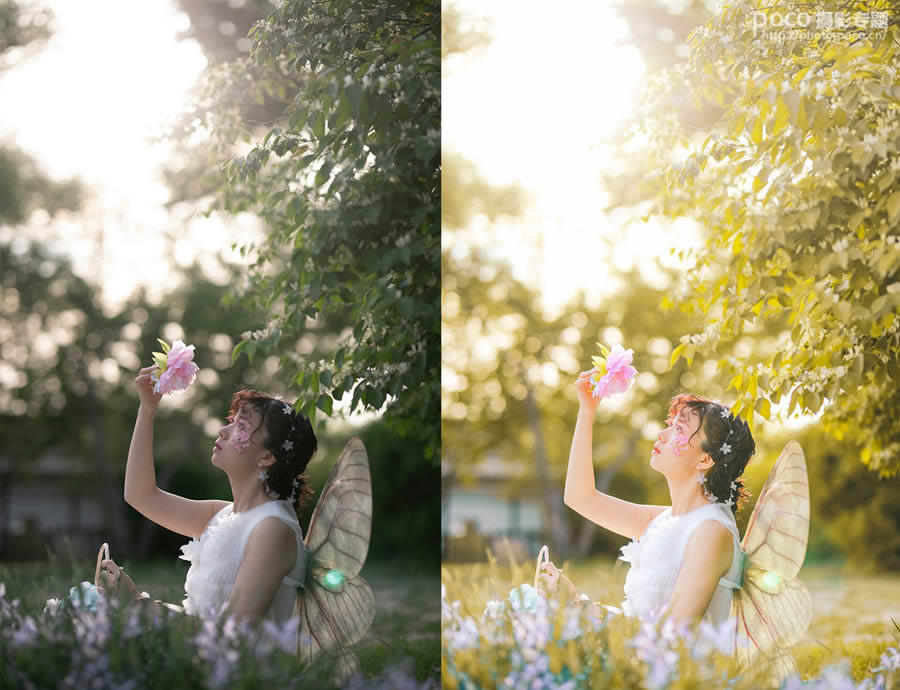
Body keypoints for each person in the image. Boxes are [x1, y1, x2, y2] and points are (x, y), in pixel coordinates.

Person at [96, 365, 315, 623]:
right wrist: (147, 409)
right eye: (232, 422)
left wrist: (139, 603)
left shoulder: (273, 529)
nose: (224, 430)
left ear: (267, 456)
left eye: (241, 426)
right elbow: (140, 495)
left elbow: (232, 636)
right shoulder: (222, 515)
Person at [540, 370, 754, 629]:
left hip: (676, 668)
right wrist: (587, 412)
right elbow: (579, 497)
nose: (661, 435)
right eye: (670, 424)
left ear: (705, 459)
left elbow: (673, 634)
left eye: (679, 429)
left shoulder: (711, 530)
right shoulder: (664, 520)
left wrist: (578, 604)